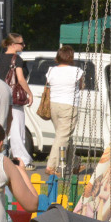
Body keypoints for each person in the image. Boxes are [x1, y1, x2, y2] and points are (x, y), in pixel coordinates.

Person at [0, 33, 35, 169]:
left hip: (2, 96)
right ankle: (23, 159)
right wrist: (29, 93)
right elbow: (20, 78)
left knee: (3, 127)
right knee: (18, 128)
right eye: (21, 43)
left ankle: (0, 155)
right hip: (14, 98)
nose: (23, 45)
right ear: (13, 44)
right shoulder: (16, 58)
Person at [44, 45, 85, 176]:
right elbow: (81, 86)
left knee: (64, 136)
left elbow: (49, 84)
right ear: (71, 57)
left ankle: (75, 164)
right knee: (62, 136)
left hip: (54, 105)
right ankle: (51, 166)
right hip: (69, 106)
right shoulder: (77, 71)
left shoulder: (51, 70)